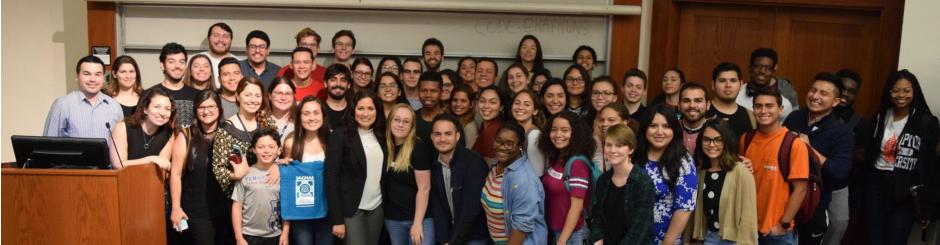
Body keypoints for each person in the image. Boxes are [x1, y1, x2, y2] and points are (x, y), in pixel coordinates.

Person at [863, 70, 938, 245]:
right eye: (896, 90)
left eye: (906, 90)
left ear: (914, 92)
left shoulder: (926, 122)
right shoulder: (881, 117)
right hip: (876, 185)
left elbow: (932, 166)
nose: (901, 95)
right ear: (889, 92)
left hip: (905, 190)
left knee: (895, 240)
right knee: (874, 239)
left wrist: (928, 206)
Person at [782, 72, 854, 245]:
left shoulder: (842, 132)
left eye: (824, 93)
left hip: (814, 206)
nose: (815, 96)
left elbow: (839, 172)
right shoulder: (795, 117)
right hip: (784, 199)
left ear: (836, 101)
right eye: (813, 90)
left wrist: (808, 149)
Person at [740, 89, 808, 244]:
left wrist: (783, 224)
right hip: (748, 229)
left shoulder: (793, 144)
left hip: (777, 234)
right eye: (758, 106)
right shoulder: (746, 139)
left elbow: (801, 189)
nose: (763, 111)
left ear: (781, 109)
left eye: (769, 106)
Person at [169, 90, 235, 245]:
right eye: (201, 107)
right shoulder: (186, 135)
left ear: (219, 108)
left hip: (227, 210)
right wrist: (176, 207)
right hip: (197, 211)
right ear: (195, 110)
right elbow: (175, 174)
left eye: (211, 106)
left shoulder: (229, 132)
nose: (207, 111)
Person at [325, 90, 387, 245]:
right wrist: (337, 220)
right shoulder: (340, 135)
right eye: (361, 108)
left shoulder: (382, 135)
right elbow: (331, 178)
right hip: (351, 209)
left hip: (377, 208)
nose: (366, 113)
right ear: (353, 110)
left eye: (371, 109)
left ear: (377, 111)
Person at [636, 105, 698, 244]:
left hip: (664, 239)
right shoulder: (633, 156)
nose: (659, 132)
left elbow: (684, 209)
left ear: (674, 130)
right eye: (653, 126)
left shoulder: (683, 162)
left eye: (666, 126)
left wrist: (667, 243)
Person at [482, 123, 549, 244]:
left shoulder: (525, 182)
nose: (502, 147)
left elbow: (521, 227)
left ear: (521, 147)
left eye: (509, 144)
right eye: (498, 141)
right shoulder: (496, 164)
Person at [588, 124, 656, 245]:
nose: (612, 150)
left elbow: (639, 230)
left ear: (631, 149)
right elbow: (597, 219)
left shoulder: (643, 183)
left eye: (619, 145)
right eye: (609, 145)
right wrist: (597, 239)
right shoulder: (603, 181)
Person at [428, 114, 490, 245]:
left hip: (475, 236)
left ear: (457, 136)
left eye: (448, 134)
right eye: (438, 134)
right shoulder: (434, 164)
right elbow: (437, 207)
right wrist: (444, 240)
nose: (442, 139)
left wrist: (454, 242)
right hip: (451, 236)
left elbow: (471, 210)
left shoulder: (473, 163)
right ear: (432, 137)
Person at [537, 111, 595, 244]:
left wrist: (562, 240)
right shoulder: (558, 158)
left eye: (565, 130)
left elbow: (576, 206)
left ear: (575, 134)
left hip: (571, 236)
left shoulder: (577, 163)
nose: (558, 135)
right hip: (554, 231)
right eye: (554, 130)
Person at [281, 96, 333, 245]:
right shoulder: (291, 143)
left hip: (326, 211)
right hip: (301, 214)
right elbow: (288, 186)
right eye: (306, 113)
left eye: (316, 112)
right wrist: (279, 165)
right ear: (299, 117)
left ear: (323, 115)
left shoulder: (331, 139)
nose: (311, 118)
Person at [211, 77, 276, 195]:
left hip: (267, 190)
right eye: (248, 95)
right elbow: (218, 169)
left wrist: (277, 166)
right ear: (237, 96)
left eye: (257, 95)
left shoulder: (268, 122)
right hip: (239, 195)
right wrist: (235, 175)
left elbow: (277, 153)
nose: (253, 100)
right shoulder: (226, 129)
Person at [383, 104, 435, 245]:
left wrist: (417, 223)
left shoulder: (417, 147)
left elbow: (424, 188)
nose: (400, 125)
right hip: (393, 219)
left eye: (406, 121)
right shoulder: (384, 146)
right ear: (390, 122)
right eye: (397, 120)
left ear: (412, 126)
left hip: (420, 218)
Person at [231, 128, 290, 245]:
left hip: (275, 235)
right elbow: (237, 207)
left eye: (271, 147)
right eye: (261, 147)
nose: (266, 151)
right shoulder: (245, 174)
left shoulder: (283, 174)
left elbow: (287, 207)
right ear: (253, 150)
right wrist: (239, 237)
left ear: (279, 150)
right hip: (248, 235)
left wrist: (285, 233)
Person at [109, 88, 176, 170]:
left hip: (150, 180)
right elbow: (119, 165)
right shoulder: (122, 127)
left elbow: (161, 167)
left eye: (167, 109)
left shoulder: (168, 133)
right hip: (123, 180)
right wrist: (151, 159)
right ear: (145, 109)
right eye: (157, 107)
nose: (162, 113)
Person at [738, 48, 795, 120]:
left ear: (774, 70)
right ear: (750, 68)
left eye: (768, 68)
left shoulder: (784, 104)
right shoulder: (736, 95)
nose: (762, 71)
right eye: (757, 66)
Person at [151, 42, 198, 128]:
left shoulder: (197, 95)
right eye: (171, 62)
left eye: (182, 62)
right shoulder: (150, 94)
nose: (177, 66)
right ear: (162, 65)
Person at [706, 62, 755, 139]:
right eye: (722, 81)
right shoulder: (703, 112)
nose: (728, 85)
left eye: (733, 80)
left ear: (741, 84)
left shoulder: (751, 116)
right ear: (713, 85)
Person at [511, 90, 547, 176]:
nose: (520, 107)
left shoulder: (534, 135)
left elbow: (538, 173)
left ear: (535, 111)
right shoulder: (513, 130)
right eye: (517, 103)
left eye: (526, 104)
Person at [593, 103, 635, 170]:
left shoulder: (633, 144)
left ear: (625, 122)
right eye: (602, 120)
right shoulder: (593, 143)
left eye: (611, 120)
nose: (604, 124)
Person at [197, 22, 238, 89]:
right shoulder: (196, 60)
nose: (220, 40)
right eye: (216, 36)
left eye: (225, 36)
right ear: (209, 38)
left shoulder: (239, 62)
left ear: (231, 40)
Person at [472, 86, 504, 164]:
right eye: (482, 101)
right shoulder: (485, 125)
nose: (486, 106)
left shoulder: (493, 130)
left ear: (501, 107)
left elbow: (487, 168)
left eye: (492, 102)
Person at [415, 71, 447, 150]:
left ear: (441, 92)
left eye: (433, 91)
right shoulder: (410, 119)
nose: (428, 95)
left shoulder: (451, 122)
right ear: (418, 91)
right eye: (424, 90)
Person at [679, 83, 711, 154]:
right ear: (679, 105)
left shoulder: (717, 131)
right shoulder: (670, 129)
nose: (692, 106)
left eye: (698, 101)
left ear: (708, 105)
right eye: (686, 101)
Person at [449, 84, 479, 149]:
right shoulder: (448, 120)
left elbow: (468, 154)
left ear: (471, 104)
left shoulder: (470, 127)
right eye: (455, 100)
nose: (458, 104)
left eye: (463, 101)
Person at [323, 64, 352, 128]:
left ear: (349, 85)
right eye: (333, 80)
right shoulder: (319, 110)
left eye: (343, 80)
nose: (338, 84)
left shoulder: (354, 110)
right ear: (325, 83)